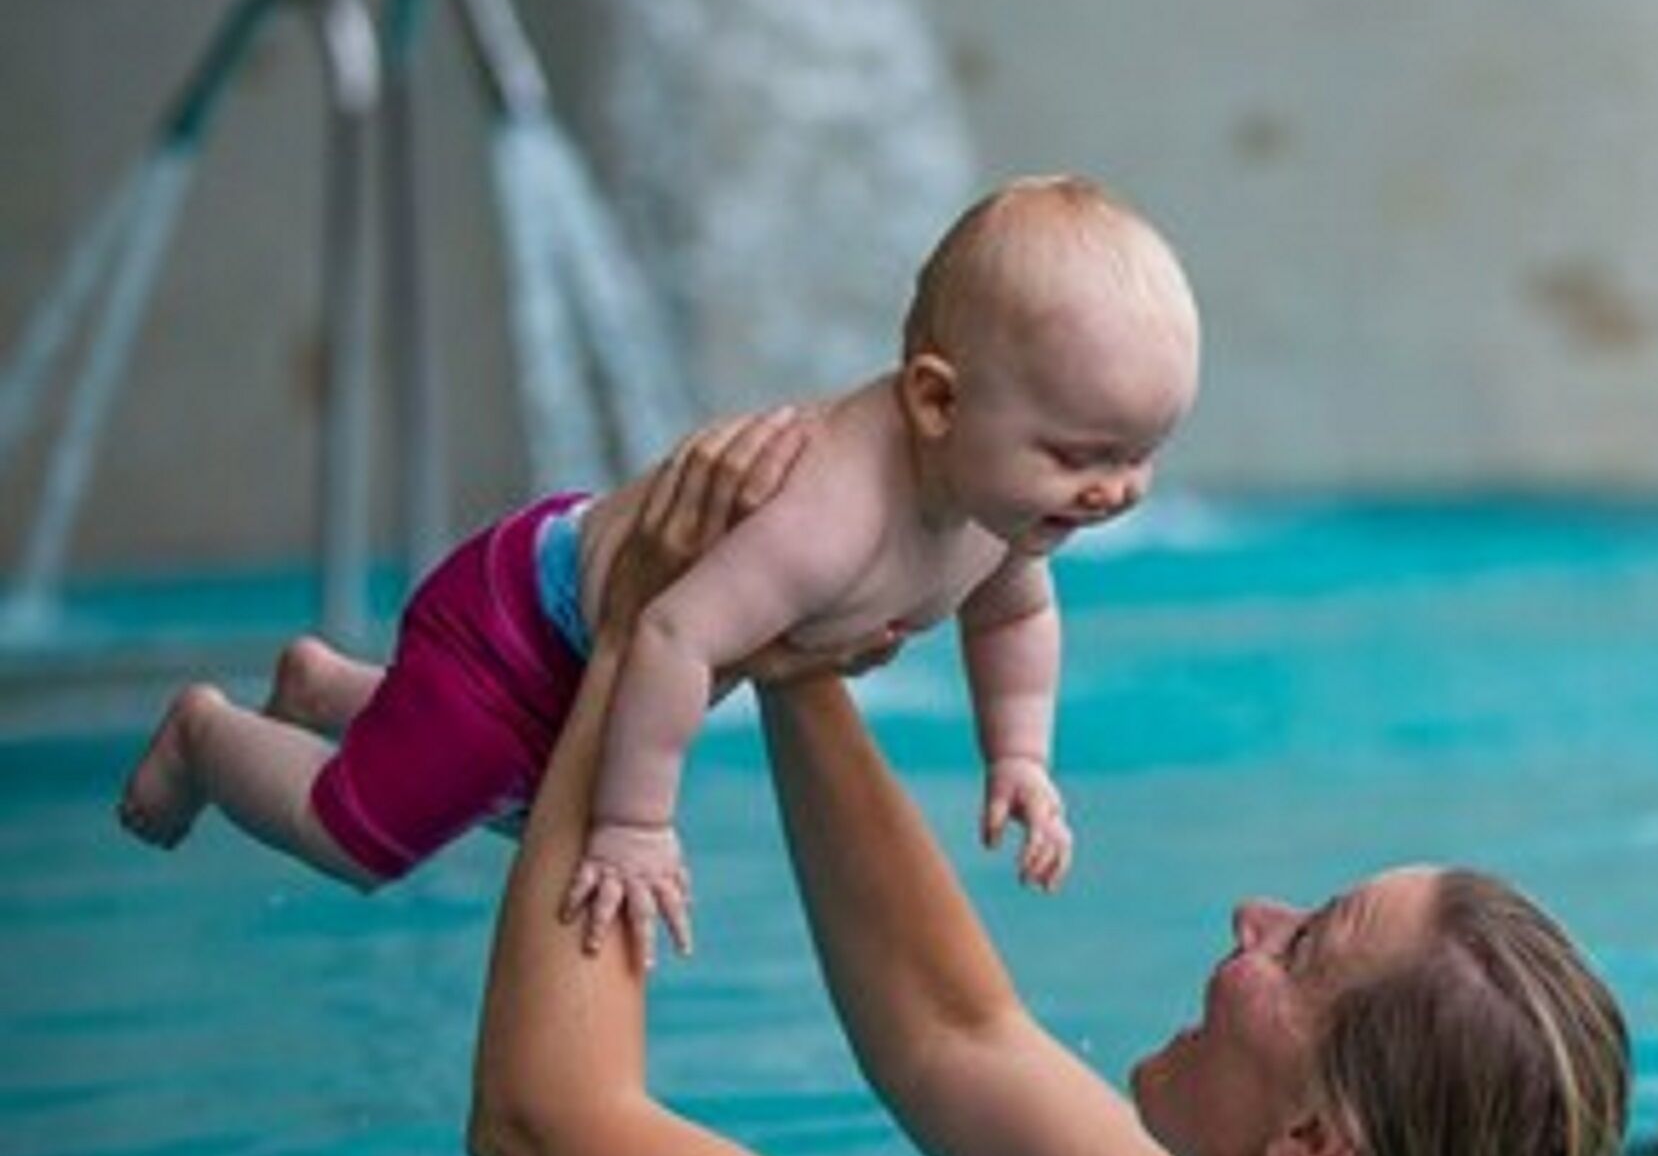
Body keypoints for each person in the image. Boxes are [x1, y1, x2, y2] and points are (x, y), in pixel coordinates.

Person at [464, 412, 1634, 1156]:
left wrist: (638, 629)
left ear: (1316, 1135)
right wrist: (782, 625)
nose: (1254, 917)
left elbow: (550, 1126)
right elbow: (949, 1030)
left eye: (1303, 946)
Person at [119, 175, 1201, 963]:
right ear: (936, 399)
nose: (1113, 490)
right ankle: (210, 734)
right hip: (520, 623)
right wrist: (637, 824)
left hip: (584, 636)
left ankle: (329, 692)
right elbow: (675, 635)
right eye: (1081, 455)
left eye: (1141, 455)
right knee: (371, 837)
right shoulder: (832, 515)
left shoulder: (1003, 508)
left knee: (512, 791)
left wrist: (1020, 756)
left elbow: (1013, 617)